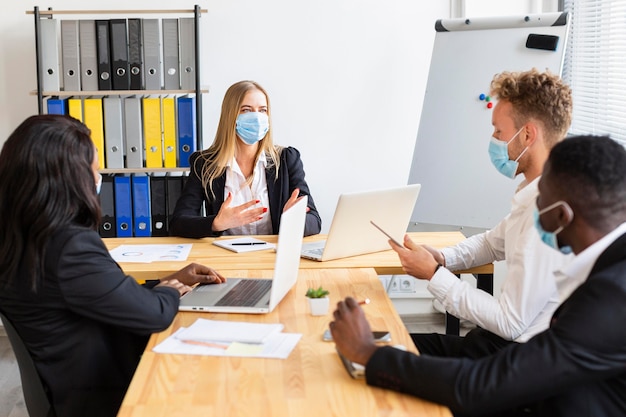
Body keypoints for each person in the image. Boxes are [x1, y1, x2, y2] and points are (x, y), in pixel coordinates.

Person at [330, 135, 626, 416]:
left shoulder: (610, 300)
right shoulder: (610, 263)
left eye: (539, 201)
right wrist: (444, 259)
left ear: (562, 215)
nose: (532, 209)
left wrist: (368, 353)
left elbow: (481, 386)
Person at [0, 115, 226, 417]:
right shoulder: (70, 246)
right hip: (109, 397)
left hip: (68, 391)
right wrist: (171, 292)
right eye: (94, 169)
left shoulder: (20, 237)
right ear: (68, 179)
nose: (98, 178)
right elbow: (154, 314)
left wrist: (166, 282)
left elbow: (95, 295)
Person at [401, 69, 575, 358]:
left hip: (513, 358)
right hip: (494, 342)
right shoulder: (536, 191)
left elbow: (510, 323)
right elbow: (493, 243)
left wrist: (433, 274)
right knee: (391, 343)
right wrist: (444, 258)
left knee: (390, 355)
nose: (494, 140)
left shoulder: (547, 215)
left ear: (528, 134)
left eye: (498, 131)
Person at [169, 80, 322, 238]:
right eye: (246, 110)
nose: (256, 117)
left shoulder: (286, 159)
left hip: (272, 255)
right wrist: (216, 223)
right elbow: (178, 224)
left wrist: (291, 221)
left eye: (262, 110)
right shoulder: (205, 163)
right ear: (231, 115)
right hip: (227, 257)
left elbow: (314, 221)